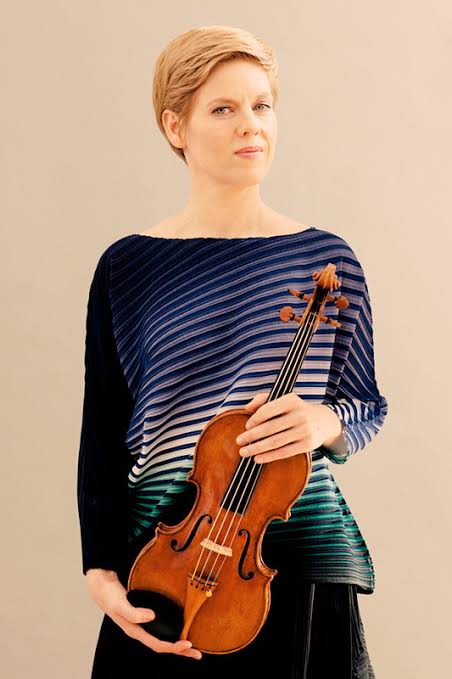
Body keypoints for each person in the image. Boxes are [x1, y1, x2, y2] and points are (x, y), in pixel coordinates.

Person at [77, 25, 388, 678]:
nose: (252, 124)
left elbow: (364, 404)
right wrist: (99, 569)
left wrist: (323, 421)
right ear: (176, 126)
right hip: (163, 559)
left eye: (261, 104)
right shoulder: (127, 267)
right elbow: (103, 431)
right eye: (223, 108)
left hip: (293, 556)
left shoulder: (326, 259)